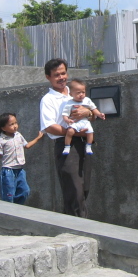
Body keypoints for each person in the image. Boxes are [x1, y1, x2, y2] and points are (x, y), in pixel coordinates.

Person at [39, 58, 96, 218]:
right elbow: (49, 127)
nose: (61, 78)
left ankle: (70, 222)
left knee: (84, 189)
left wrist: (88, 112)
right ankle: (79, 226)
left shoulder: (76, 93)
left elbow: (92, 116)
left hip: (84, 144)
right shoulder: (48, 100)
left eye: (63, 73)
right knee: (74, 190)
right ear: (48, 77)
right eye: (56, 75)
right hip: (67, 146)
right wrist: (75, 133)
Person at [0, 112, 43, 205]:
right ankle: (8, 211)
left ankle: (16, 208)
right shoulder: (1, 140)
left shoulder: (18, 135)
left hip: (20, 170)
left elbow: (27, 145)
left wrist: (38, 138)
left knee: (25, 191)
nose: (15, 126)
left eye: (16, 123)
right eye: (11, 124)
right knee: (9, 195)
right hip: (8, 171)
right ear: (3, 128)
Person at [61, 78, 105, 155]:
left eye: (83, 92)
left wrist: (99, 114)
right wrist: (67, 120)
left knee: (90, 132)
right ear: (71, 94)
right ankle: (67, 146)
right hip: (75, 122)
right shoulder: (69, 103)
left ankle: (89, 146)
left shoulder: (87, 100)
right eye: (78, 93)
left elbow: (93, 108)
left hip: (85, 121)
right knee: (70, 131)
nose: (81, 94)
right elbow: (65, 114)